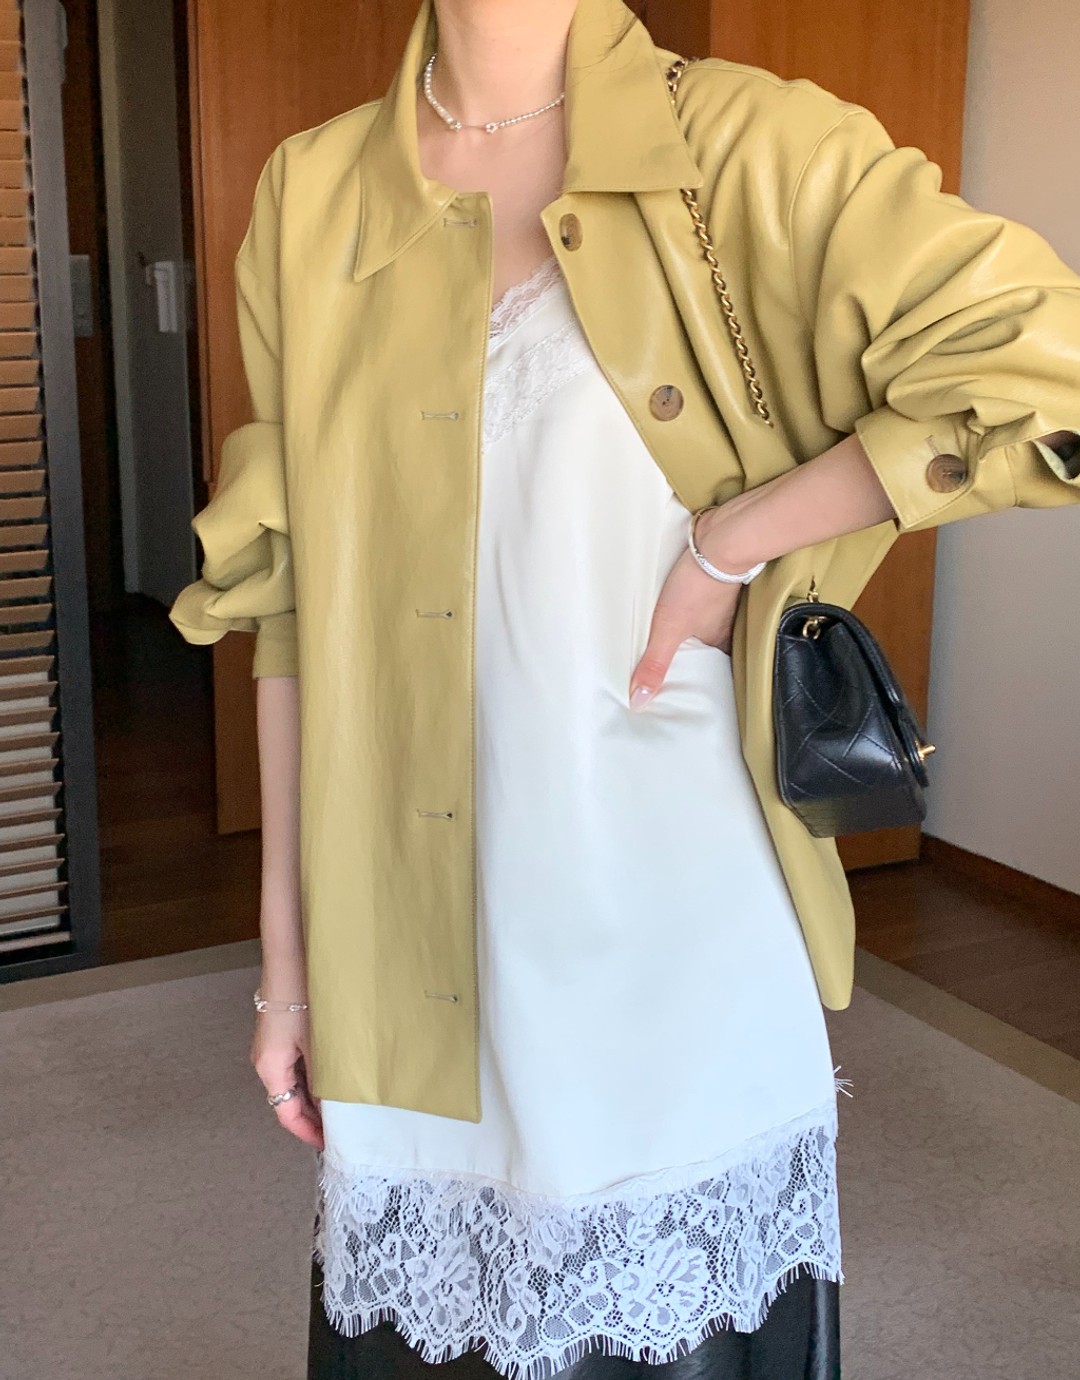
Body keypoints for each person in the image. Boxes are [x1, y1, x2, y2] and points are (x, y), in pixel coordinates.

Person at [168, 0, 1080, 1376]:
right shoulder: (311, 191)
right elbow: (289, 609)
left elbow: (1039, 375)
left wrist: (736, 540)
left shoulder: (754, 149)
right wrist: (287, 969)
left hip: (667, 904)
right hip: (401, 920)